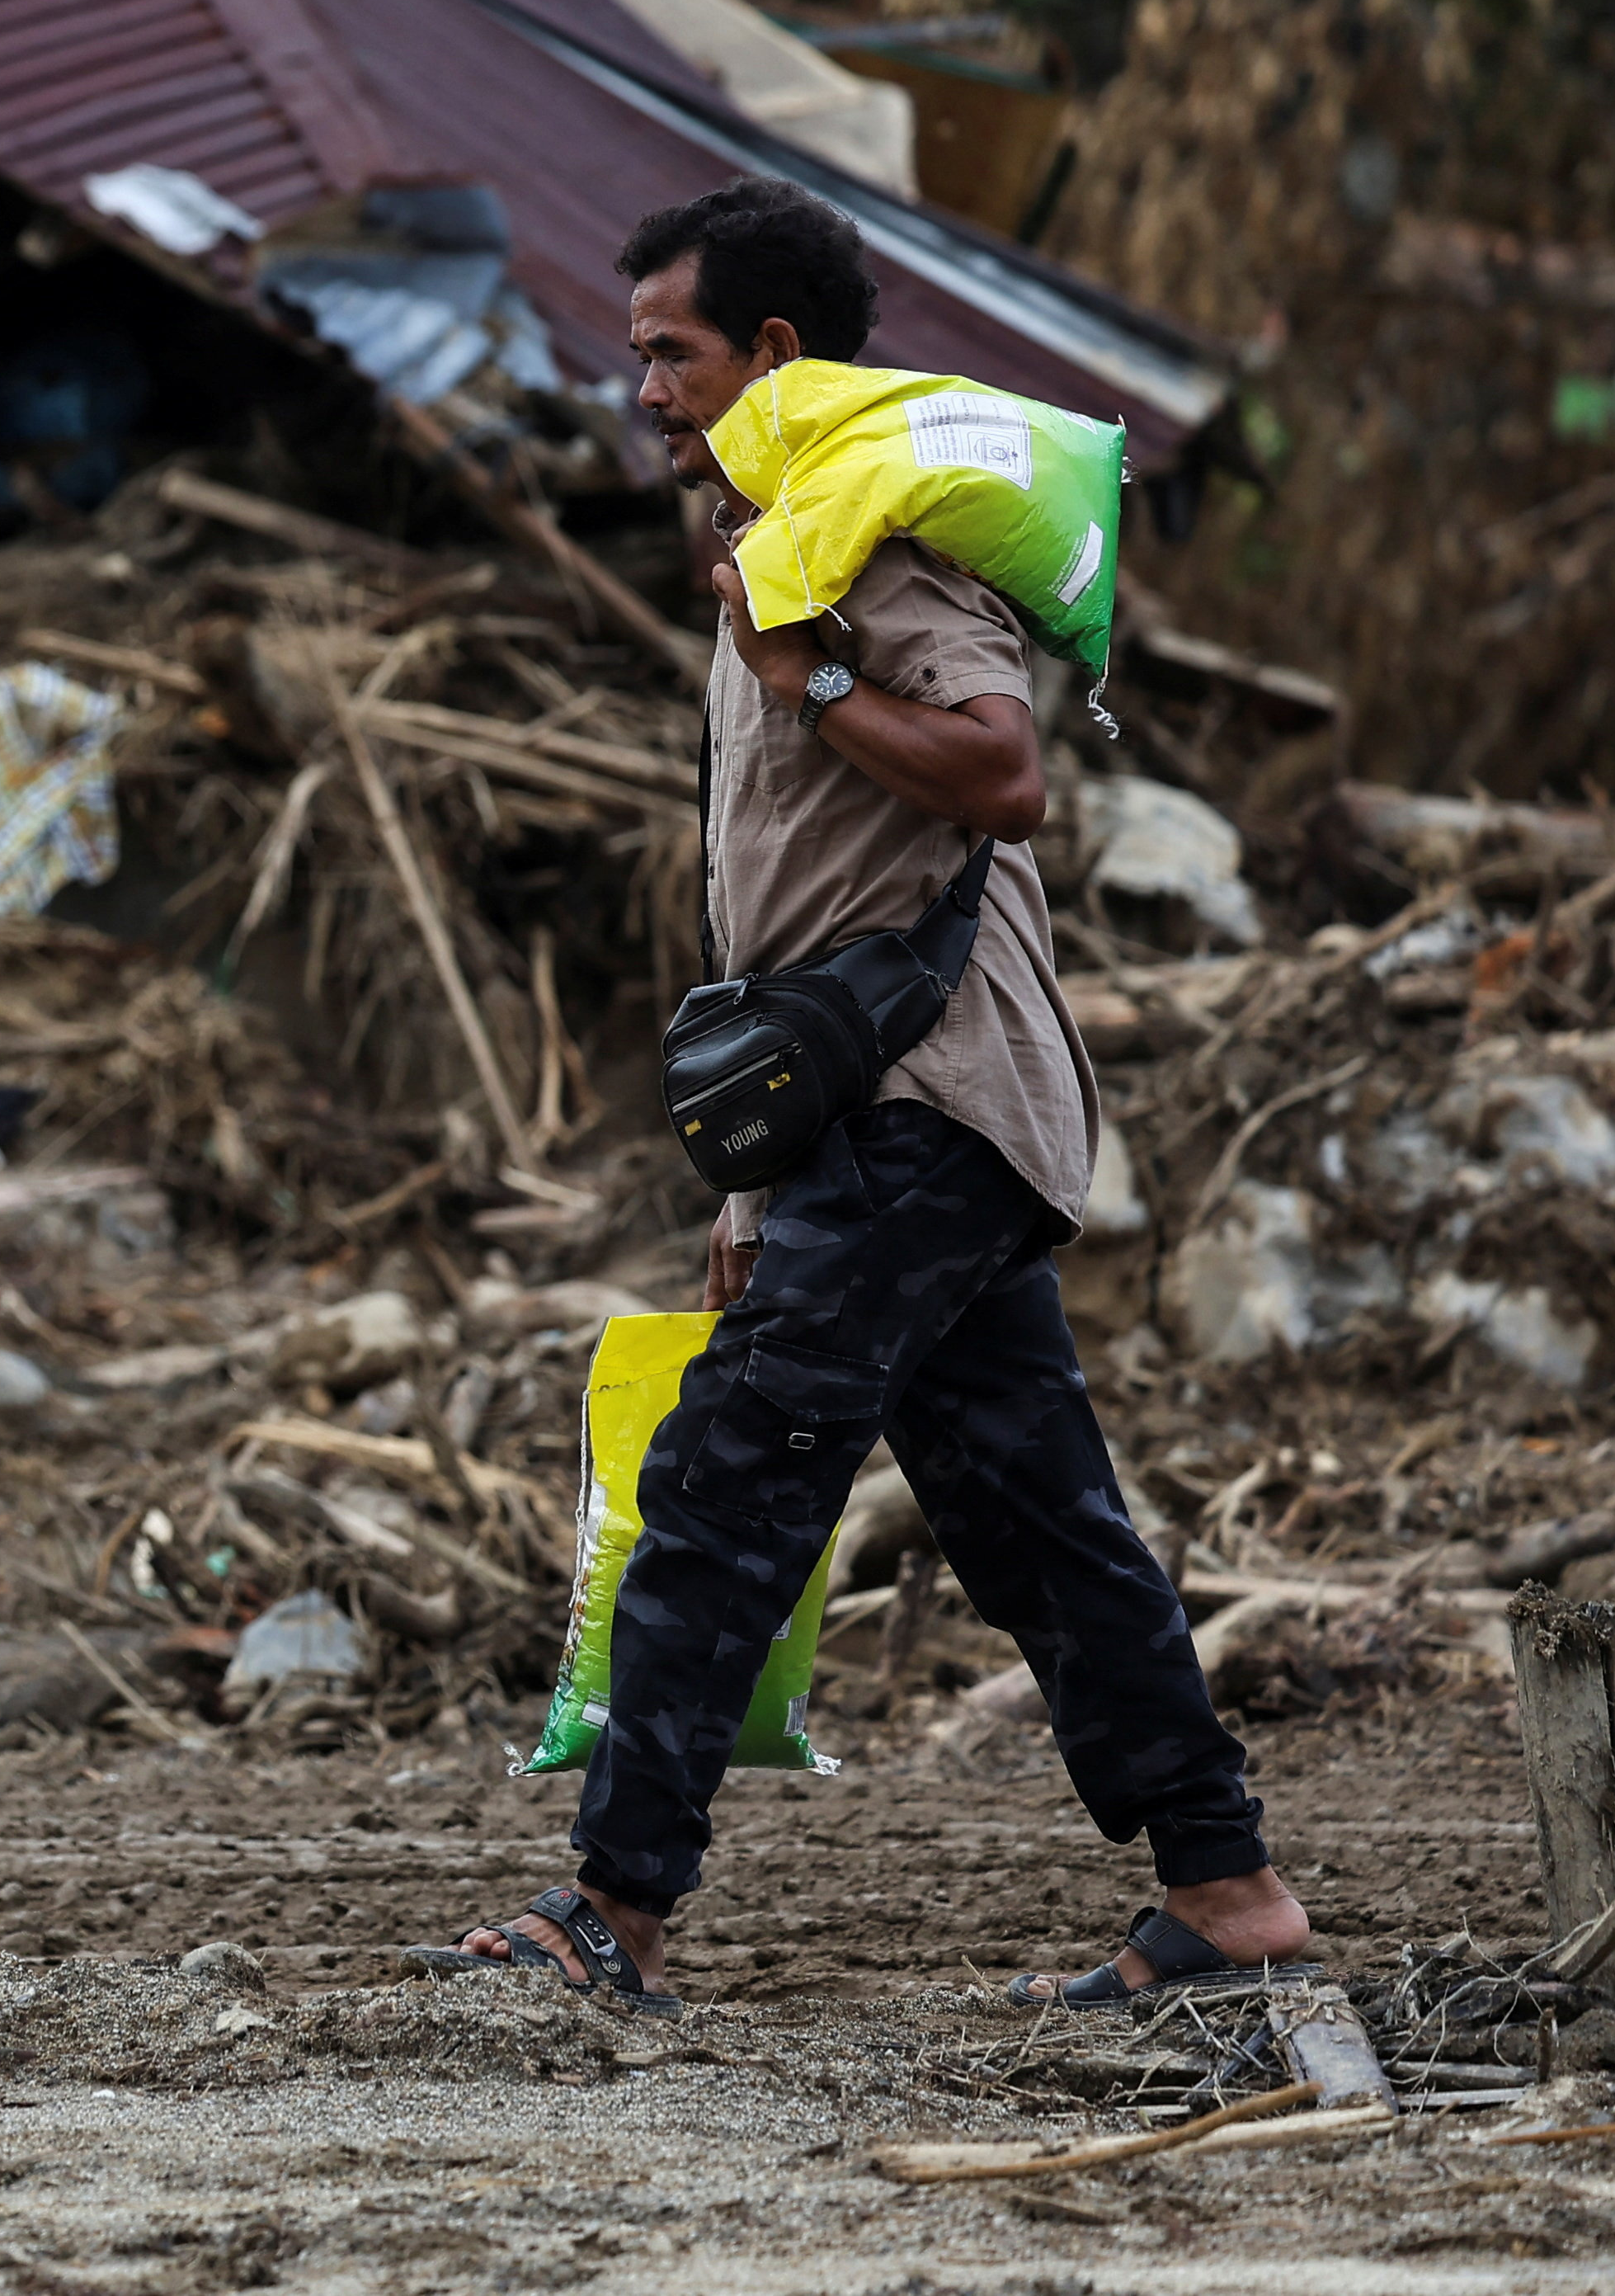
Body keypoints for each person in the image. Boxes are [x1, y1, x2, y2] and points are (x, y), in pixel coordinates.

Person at [422, 176, 1308, 2017]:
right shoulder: (785, 541)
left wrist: (807, 669)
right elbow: (785, 905)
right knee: (1031, 1518)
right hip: (885, 1117)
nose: (641, 386)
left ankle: (614, 1910)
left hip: (929, 1104)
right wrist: (749, 1198)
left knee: (725, 1480)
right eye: (638, 349)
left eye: (671, 351)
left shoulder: (870, 556)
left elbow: (999, 775)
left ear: (772, 355)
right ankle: (1222, 1892)